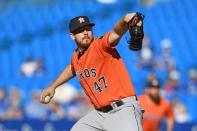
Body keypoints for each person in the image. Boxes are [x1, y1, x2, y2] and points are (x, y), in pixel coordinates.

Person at [40, 13, 144, 131]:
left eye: (88, 29)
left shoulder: (100, 45)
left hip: (122, 110)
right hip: (100, 115)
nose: (85, 32)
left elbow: (116, 33)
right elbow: (72, 68)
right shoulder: (75, 57)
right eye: (80, 30)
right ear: (72, 36)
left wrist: (125, 20)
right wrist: (52, 86)